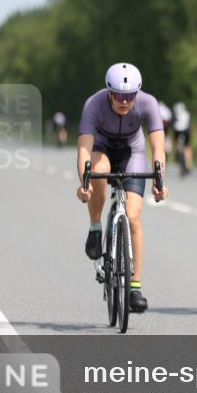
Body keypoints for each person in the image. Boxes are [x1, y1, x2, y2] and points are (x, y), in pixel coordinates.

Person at [76, 63, 168, 313]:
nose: (124, 101)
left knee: (134, 216)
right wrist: (84, 183)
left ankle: (135, 286)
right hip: (102, 148)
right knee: (100, 170)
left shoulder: (148, 103)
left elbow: (158, 147)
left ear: (137, 93)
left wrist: (160, 183)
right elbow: (84, 148)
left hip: (132, 152)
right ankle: (96, 226)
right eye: (118, 95)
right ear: (109, 92)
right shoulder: (93, 104)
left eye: (129, 96)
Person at [173, 101, 193, 175]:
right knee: (187, 147)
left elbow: (173, 125)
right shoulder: (187, 114)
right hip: (186, 131)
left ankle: (177, 155)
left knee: (176, 143)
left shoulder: (176, 114)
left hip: (178, 131)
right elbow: (189, 125)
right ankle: (189, 163)